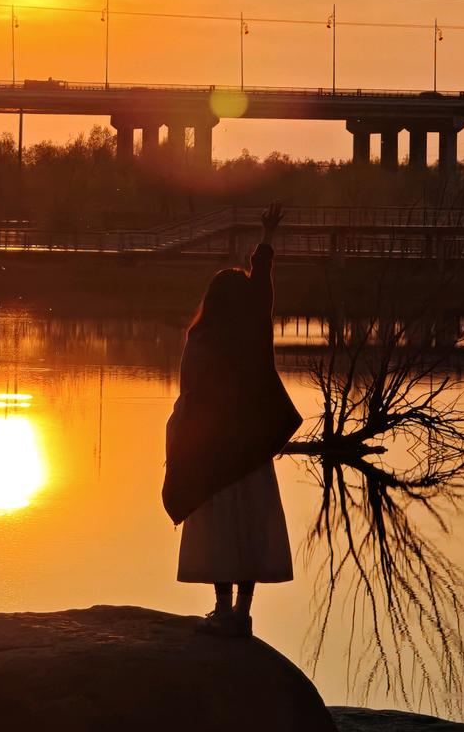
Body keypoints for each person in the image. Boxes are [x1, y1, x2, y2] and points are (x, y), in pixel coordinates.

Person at [162, 201, 303, 637]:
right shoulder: (253, 334)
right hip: (250, 455)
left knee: (220, 532)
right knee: (250, 529)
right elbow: (263, 291)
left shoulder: (201, 339)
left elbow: (187, 398)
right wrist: (266, 239)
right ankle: (243, 612)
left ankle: (223, 609)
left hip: (213, 457)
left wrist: (178, 445)